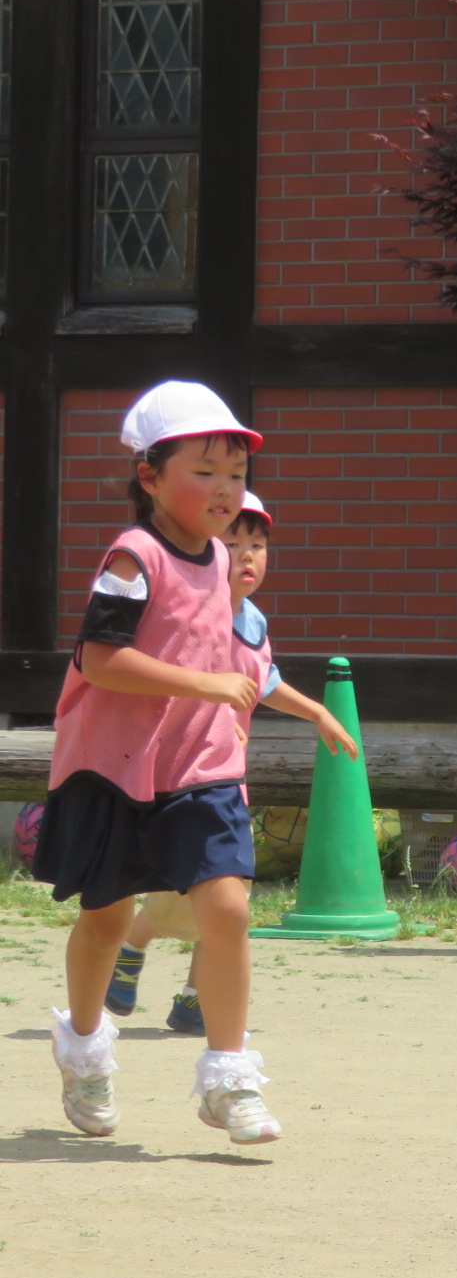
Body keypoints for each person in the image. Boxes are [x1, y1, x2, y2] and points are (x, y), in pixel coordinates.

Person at [38, 382, 279, 1144]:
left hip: (201, 767)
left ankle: (230, 1078)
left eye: (236, 473)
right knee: (105, 918)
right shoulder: (131, 557)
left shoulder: (222, 555)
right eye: (204, 471)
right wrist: (207, 684)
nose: (225, 489)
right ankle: (83, 1050)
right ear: (149, 476)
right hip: (114, 767)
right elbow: (101, 659)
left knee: (228, 910)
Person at [102, 491, 357, 1035]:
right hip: (182, 778)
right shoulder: (195, 614)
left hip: (226, 778)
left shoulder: (254, 621)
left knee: (228, 894)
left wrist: (319, 713)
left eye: (257, 546)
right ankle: (131, 946)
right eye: (232, 543)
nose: (246, 556)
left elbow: (264, 682)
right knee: (178, 898)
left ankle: (195, 998)